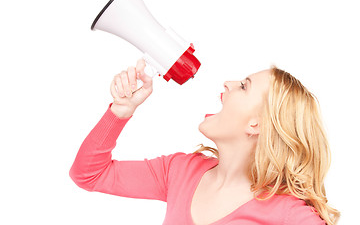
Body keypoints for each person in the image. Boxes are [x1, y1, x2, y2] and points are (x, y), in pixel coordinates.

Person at [69, 59, 340, 225]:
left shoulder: (287, 214)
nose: (228, 84)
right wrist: (120, 111)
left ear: (256, 123)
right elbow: (89, 175)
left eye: (244, 86)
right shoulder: (180, 171)